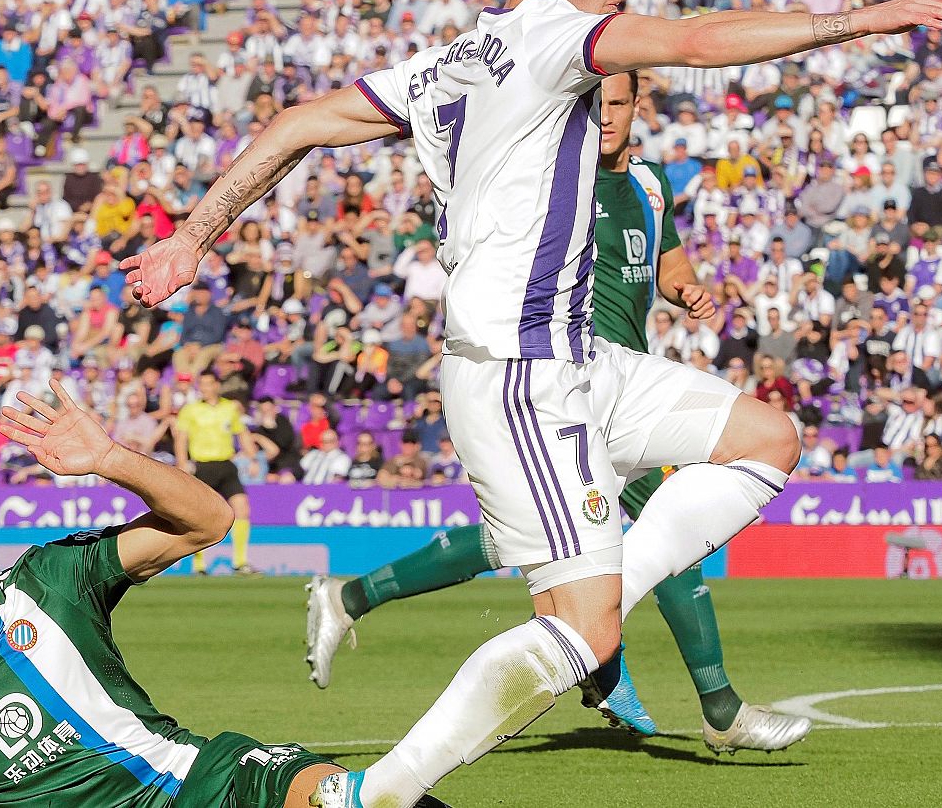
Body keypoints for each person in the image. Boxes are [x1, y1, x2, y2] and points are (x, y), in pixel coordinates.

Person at [118, 0, 942, 802]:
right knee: (585, 635)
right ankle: (369, 797)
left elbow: (300, 121)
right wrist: (858, 19)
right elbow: (696, 40)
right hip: (520, 372)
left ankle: (611, 576)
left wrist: (192, 238)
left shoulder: (447, 61)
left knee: (768, 438)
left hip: (581, 357)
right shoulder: (553, 34)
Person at [301, 73, 811, 752]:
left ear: (638, 109)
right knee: (667, 541)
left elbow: (665, 262)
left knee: (513, 542)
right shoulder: (553, 172)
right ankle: (710, 704)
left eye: (620, 104)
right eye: (594, 103)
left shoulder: (653, 185)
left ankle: (354, 599)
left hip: (627, 387)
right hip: (562, 389)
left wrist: (686, 288)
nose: (604, 116)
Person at [0, 388, 450, 808]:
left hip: (200, 784)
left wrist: (110, 459)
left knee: (346, 800)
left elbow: (208, 522)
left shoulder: (51, 581)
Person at [172, 370, 258, 575]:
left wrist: (252, 458)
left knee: (242, 507)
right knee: (200, 515)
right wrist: (182, 463)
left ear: (217, 385)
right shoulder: (190, 410)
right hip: (203, 465)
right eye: (201, 384)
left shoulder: (229, 408)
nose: (204, 388)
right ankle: (199, 564)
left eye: (208, 384)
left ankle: (240, 562)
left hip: (226, 464)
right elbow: (181, 438)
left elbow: (241, 433)